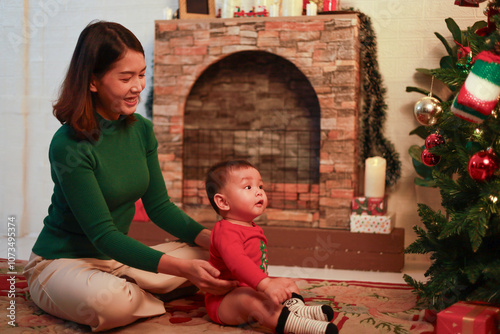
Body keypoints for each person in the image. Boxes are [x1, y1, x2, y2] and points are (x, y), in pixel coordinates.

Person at [22, 20, 236, 332]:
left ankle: (141, 286)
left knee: (214, 255)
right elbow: (103, 236)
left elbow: (160, 207)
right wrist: (185, 270)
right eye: (126, 77)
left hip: (115, 260)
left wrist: (219, 240)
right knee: (111, 302)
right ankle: (144, 290)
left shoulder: (141, 130)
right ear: (93, 81)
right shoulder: (68, 146)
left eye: (142, 74)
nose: (138, 86)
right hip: (63, 263)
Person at [205, 160, 338, 334]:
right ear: (223, 202)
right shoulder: (225, 231)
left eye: (260, 186)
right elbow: (237, 262)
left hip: (253, 289)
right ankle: (299, 326)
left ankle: (297, 310)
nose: (259, 192)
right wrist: (266, 284)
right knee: (250, 298)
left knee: (287, 283)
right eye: (248, 187)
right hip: (225, 300)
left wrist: (270, 285)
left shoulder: (251, 226)